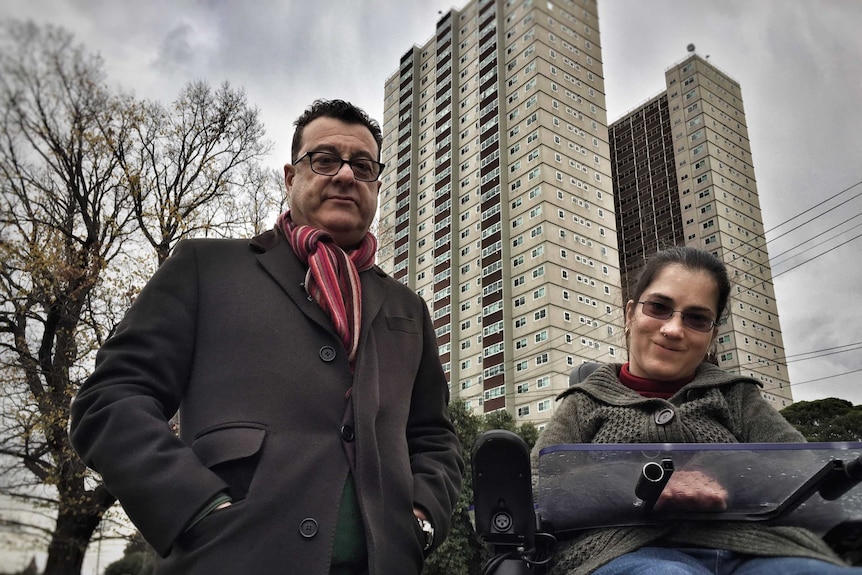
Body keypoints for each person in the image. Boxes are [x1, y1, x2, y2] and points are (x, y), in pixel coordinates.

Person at [70, 99, 463, 575]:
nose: (344, 175)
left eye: (362, 166)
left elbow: (435, 438)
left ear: (376, 186)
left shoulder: (409, 308)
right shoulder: (205, 268)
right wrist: (195, 508)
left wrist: (422, 521)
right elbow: (111, 398)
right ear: (290, 177)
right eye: (324, 159)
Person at [531, 246, 861, 574]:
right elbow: (535, 489)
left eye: (697, 318)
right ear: (630, 314)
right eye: (659, 307)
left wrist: (721, 474)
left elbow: (803, 473)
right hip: (621, 552)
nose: (673, 329)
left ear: (713, 335)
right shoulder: (583, 402)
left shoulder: (738, 396)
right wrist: (637, 482)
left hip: (759, 548)